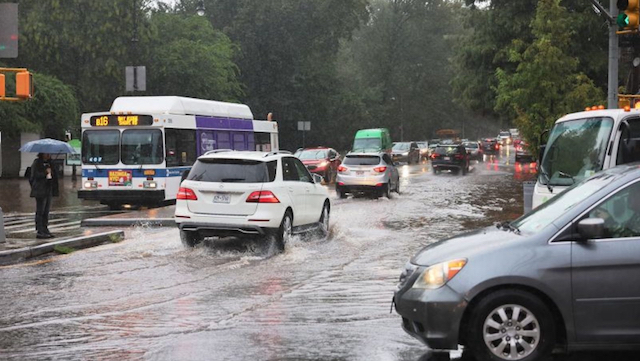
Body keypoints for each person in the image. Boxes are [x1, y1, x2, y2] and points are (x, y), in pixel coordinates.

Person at [29, 153, 59, 239]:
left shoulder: (50, 163)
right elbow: (34, 176)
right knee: (40, 211)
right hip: (40, 190)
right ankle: (40, 230)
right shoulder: (37, 163)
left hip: (48, 189)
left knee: (46, 211)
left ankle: (45, 228)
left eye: (49, 153)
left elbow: (55, 176)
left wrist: (52, 171)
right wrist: (45, 173)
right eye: (46, 153)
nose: (48, 155)